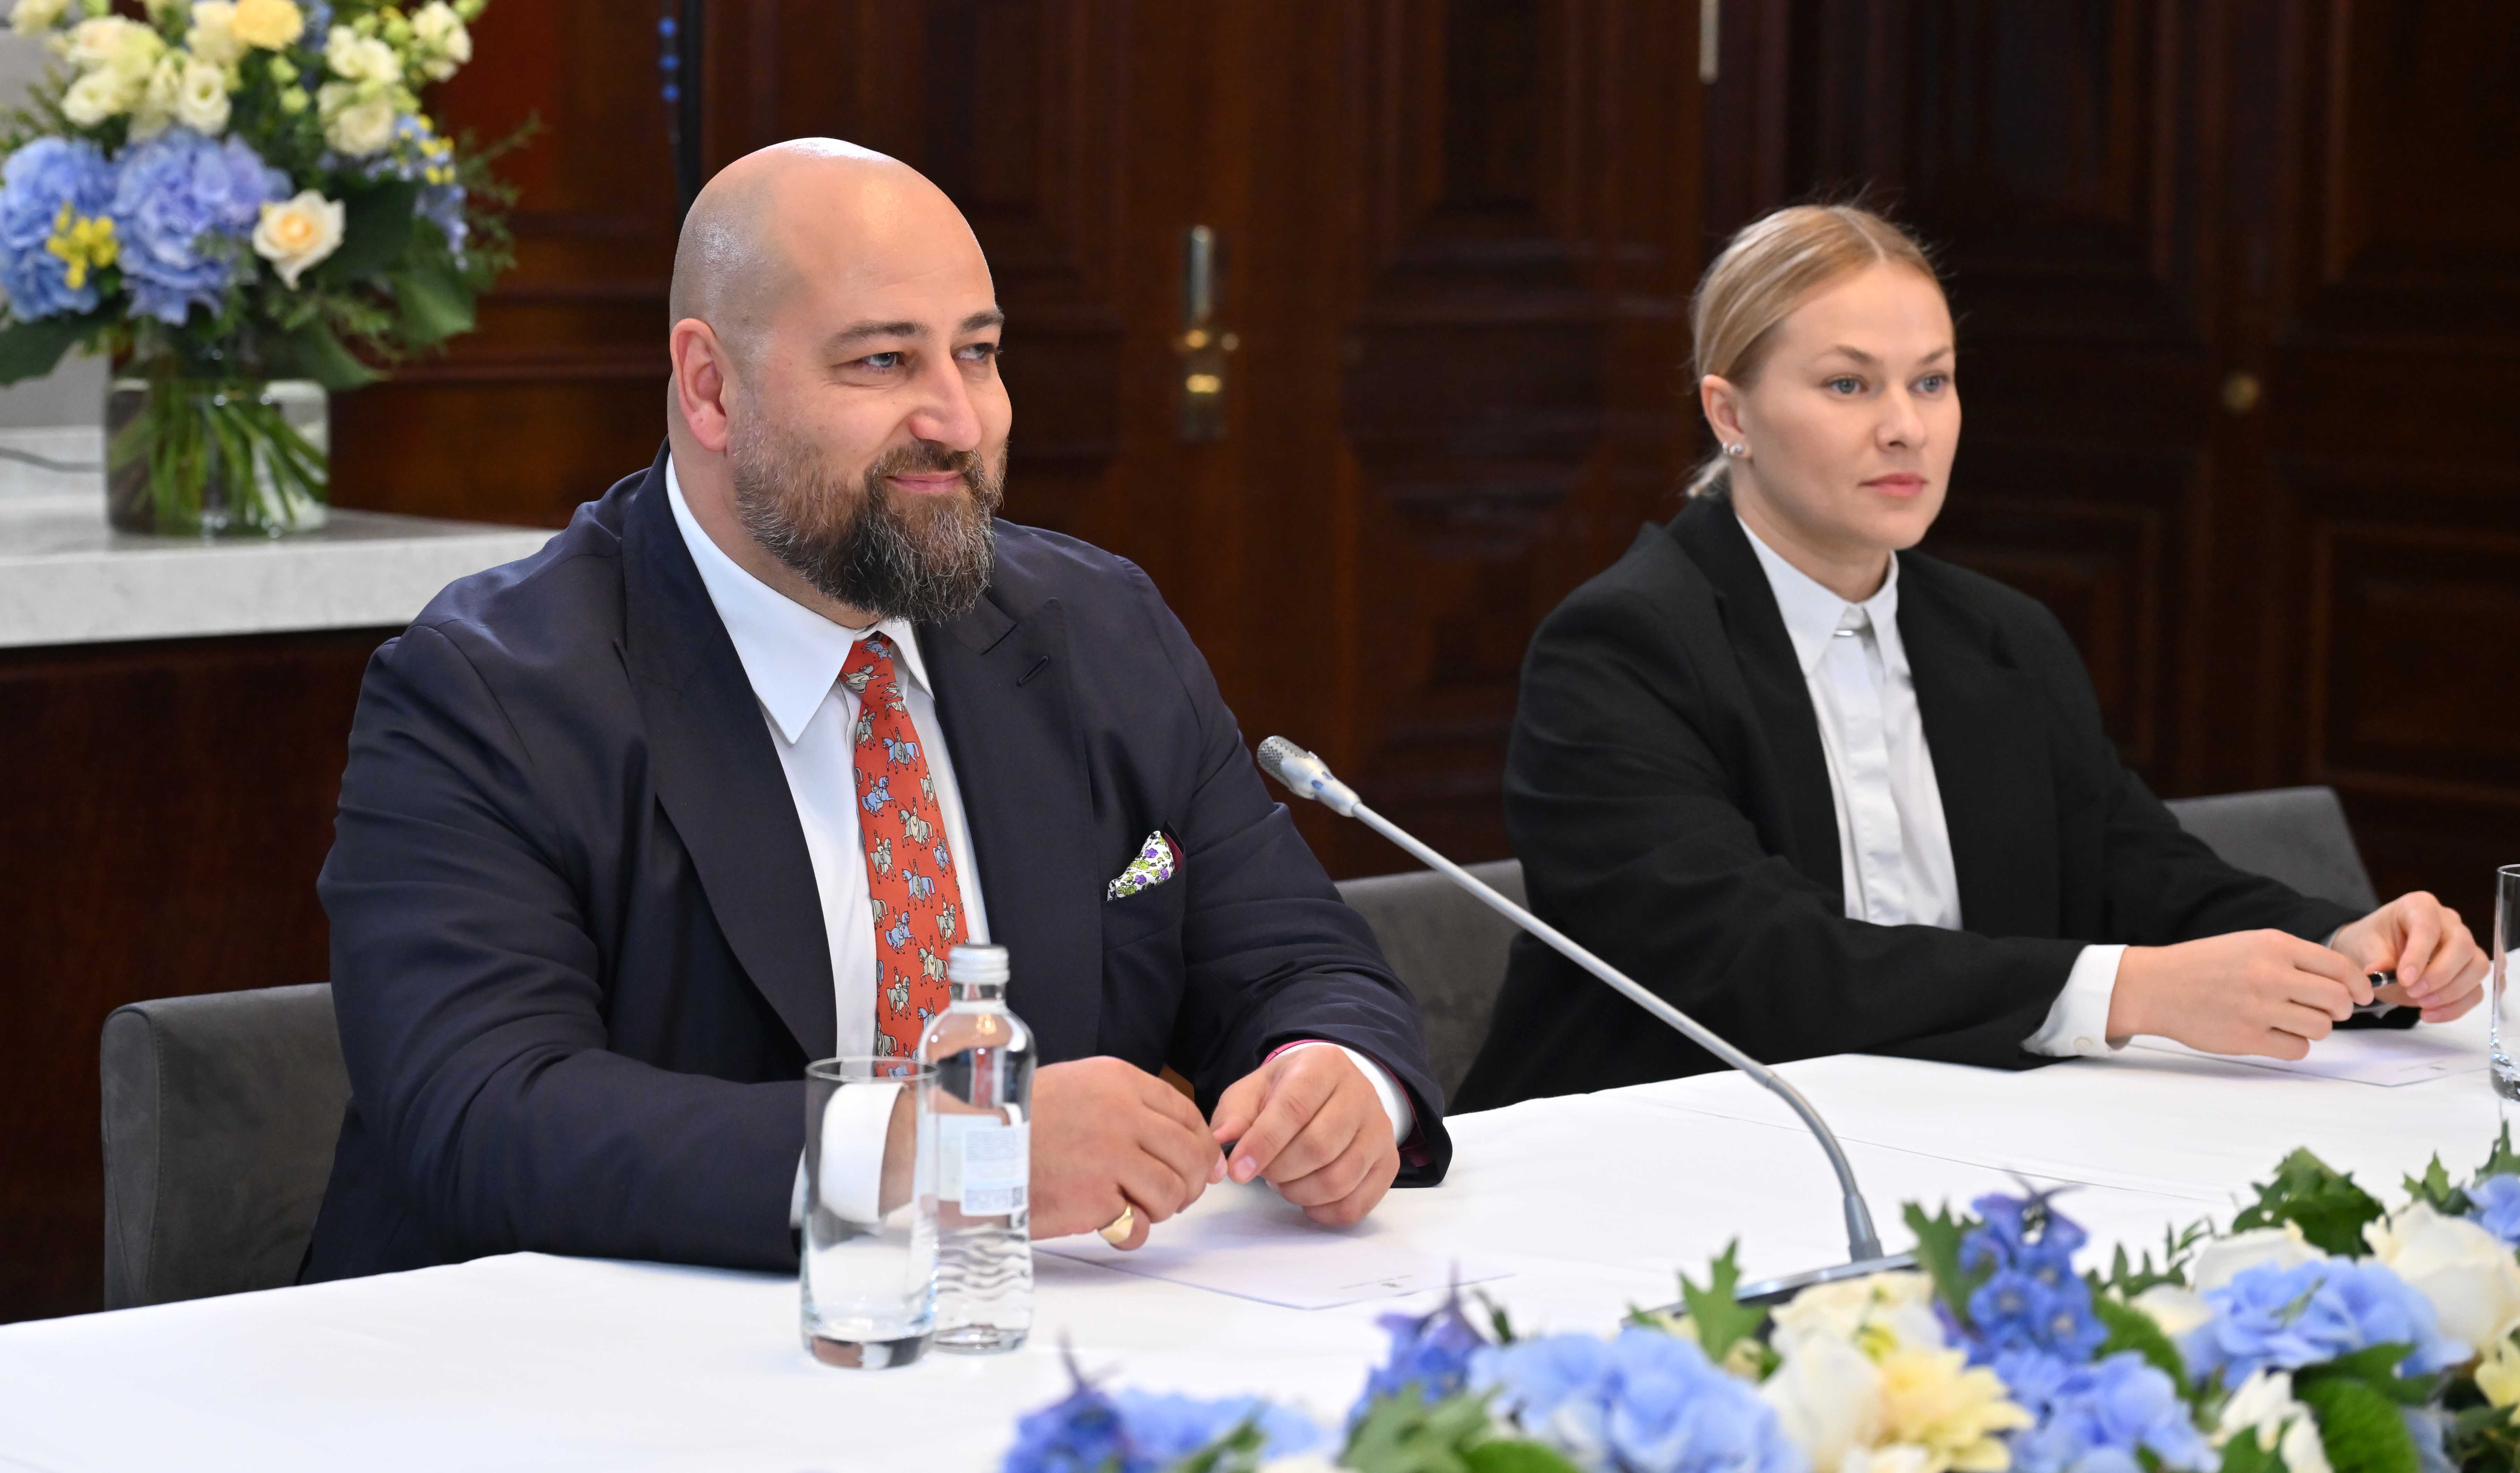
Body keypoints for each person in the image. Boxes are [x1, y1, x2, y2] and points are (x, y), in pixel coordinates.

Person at [302, 139, 1447, 1282]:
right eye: (885, 361)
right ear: (711, 388)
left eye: (979, 354)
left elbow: (1301, 964)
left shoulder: (1100, 628)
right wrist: (937, 1155)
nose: (959, 419)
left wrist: (1338, 1078)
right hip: (577, 1355)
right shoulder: (489, 689)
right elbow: (487, 1112)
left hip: (1022, 1339)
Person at [1455, 204, 2486, 1109]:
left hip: (1959, 1129)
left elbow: (2140, 871)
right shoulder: (1621, 650)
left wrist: (2348, 949)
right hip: (1663, 1153)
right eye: (1849, 385)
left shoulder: (2001, 635)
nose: (1906, 428)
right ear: (1731, 414)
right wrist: (2127, 991)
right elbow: (1758, 961)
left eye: (1933, 382)